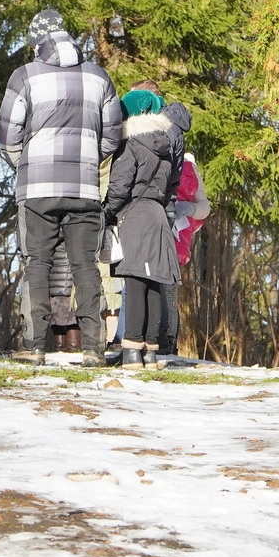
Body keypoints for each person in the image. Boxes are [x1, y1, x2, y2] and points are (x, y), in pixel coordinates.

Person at [0, 8, 122, 367]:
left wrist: (25, 164)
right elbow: (112, 136)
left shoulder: (24, 76)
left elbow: (8, 134)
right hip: (84, 189)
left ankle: (35, 345)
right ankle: (94, 348)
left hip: (37, 189)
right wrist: (86, 162)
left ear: (37, 43)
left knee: (37, 262)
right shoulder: (99, 76)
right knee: (85, 265)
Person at [105, 89, 177, 368]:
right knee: (154, 283)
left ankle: (132, 349)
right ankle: (150, 350)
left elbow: (120, 187)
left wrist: (107, 211)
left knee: (135, 282)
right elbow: (170, 186)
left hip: (135, 215)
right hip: (158, 214)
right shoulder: (166, 145)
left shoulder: (131, 144)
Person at [158, 100, 196, 355]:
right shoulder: (182, 145)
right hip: (178, 229)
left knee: (161, 284)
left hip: (162, 212)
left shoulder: (163, 135)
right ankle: (169, 340)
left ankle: (165, 339)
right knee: (169, 286)